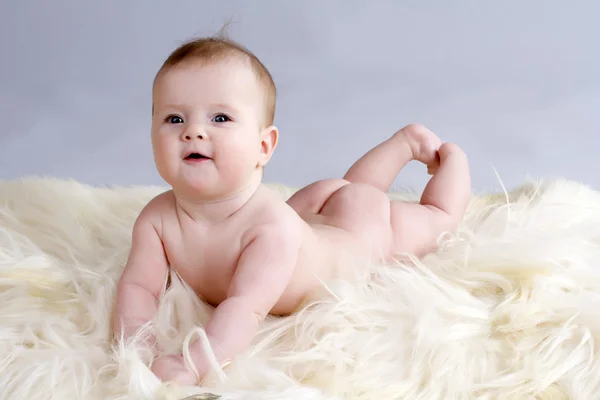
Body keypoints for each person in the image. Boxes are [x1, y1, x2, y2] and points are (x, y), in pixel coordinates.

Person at [112, 34, 471, 386]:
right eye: (174, 119)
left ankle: (449, 156)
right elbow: (139, 286)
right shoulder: (156, 217)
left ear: (263, 146)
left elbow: (243, 307)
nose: (193, 131)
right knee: (348, 190)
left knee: (430, 219)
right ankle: (403, 144)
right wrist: (136, 348)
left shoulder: (270, 228)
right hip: (308, 211)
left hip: (356, 239)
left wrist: (193, 365)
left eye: (219, 118)